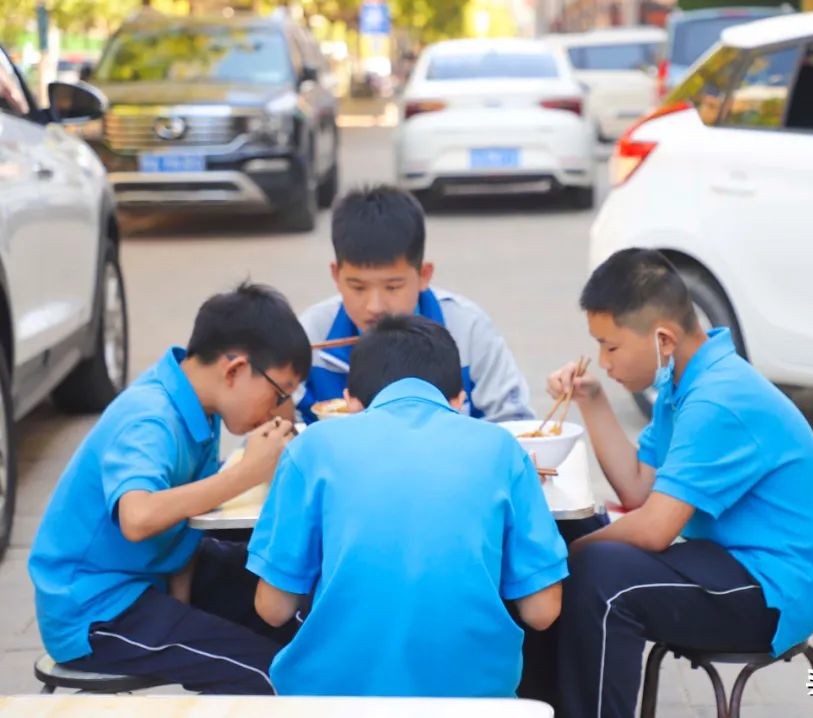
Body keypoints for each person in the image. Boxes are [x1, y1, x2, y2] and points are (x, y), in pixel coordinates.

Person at [548, 249, 813, 718]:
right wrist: (592, 399)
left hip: (773, 589)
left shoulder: (717, 400)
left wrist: (570, 556)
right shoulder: (681, 384)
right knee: (570, 538)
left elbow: (653, 528)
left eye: (612, 346)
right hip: (730, 564)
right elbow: (639, 491)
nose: (603, 361)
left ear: (663, 339)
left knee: (601, 575)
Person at [248, 314, 568, 696]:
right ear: (459, 400)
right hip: (473, 700)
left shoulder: (311, 447)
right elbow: (542, 611)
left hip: (331, 699)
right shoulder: (503, 450)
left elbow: (273, 608)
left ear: (349, 401)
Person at [29, 283, 311, 695]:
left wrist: (182, 608)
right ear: (234, 370)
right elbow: (138, 517)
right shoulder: (150, 417)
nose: (279, 407)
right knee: (273, 675)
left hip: (150, 580)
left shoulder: (201, 406)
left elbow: (181, 533)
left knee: (292, 600)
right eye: (279, 392)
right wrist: (246, 473)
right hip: (97, 610)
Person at [295, 186, 532, 424]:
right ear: (336, 275)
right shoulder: (312, 335)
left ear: (423, 275)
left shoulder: (467, 330)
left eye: (393, 287)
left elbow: (514, 423)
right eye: (358, 287)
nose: (374, 307)